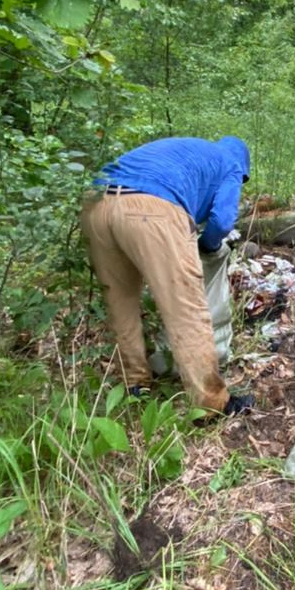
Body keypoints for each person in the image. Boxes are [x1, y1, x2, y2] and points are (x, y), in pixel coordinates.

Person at [81, 135, 254, 416]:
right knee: (186, 308)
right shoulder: (231, 164)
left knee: (120, 302)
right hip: (151, 210)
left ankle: (135, 386)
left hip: (96, 205)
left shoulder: (192, 151)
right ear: (244, 167)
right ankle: (211, 406)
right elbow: (222, 221)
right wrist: (206, 246)